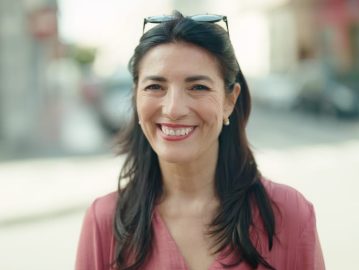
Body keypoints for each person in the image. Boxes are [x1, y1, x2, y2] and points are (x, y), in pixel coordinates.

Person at [75, 11, 325, 270]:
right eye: (155, 87)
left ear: (230, 100)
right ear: (136, 97)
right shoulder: (105, 221)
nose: (173, 109)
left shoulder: (288, 214)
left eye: (198, 87)